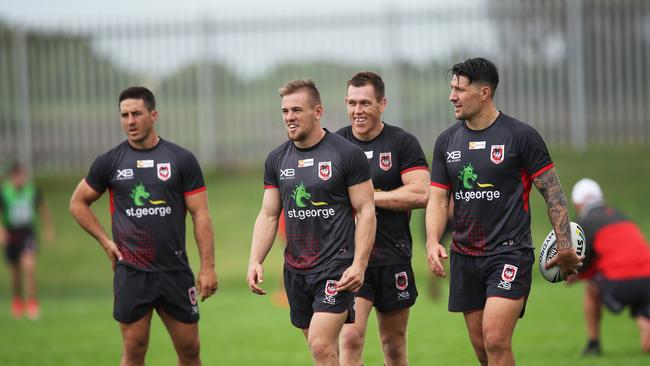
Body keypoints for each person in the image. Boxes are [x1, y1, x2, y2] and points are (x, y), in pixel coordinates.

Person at [425, 58, 583, 366]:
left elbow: (552, 191)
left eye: (459, 89)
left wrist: (565, 243)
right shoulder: (446, 141)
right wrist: (432, 240)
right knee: (483, 349)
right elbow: (439, 199)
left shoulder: (520, 136)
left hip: (509, 253)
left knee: (496, 340)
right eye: (451, 89)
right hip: (464, 256)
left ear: (484, 92)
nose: (452, 97)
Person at [69, 86, 218, 366]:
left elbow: (201, 215)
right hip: (132, 272)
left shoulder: (180, 160)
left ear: (153, 115)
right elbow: (78, 203)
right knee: (134, 349)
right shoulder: (109, 162)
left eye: (136, 114)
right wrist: (104, 241)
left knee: (190, 350)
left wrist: (208, 267)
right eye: (124, 115)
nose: (130, 121)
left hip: (174, 270)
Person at [246, 79, 376, 366]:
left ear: (317, 112)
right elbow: (268, 214)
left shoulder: (346, 154)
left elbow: (366, 210)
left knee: (320, 344)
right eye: (285, 111)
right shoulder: (277, 159)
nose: (289, 117)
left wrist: (359, 264)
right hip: (296, 270)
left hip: (335, 267)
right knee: (324, 351)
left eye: (296, 110)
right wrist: (255, 259)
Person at [336, 71, 429, 366]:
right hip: (350, 261)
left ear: (382, 104)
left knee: (393, 345)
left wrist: (370, 197)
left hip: (393, 256)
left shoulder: (402, 143)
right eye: (352, 103)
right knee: (349, 339)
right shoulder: (336, 145)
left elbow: (422, 194)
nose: (357, 111)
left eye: (365, 103)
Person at [569, 178, 650, 355]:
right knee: (647, 344)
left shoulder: (585, 222)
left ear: (577, 203)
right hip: (648, 279)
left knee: (591, 287)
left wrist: (572, 275)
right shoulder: (619, 215)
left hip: (620, 282)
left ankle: (593, 344)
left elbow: (582, 261)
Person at [0, 162, 55, 320]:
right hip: (11, 234)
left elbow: (43, 209)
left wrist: (48, 229)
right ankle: (17, 301)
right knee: (16, 273)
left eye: (22, 175)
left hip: (27, 233)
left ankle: (32, 303)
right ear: (12, 177)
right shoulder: (5, 192)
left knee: (29, 266)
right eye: (17, 176)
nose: (20, 179)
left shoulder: (32, 191)